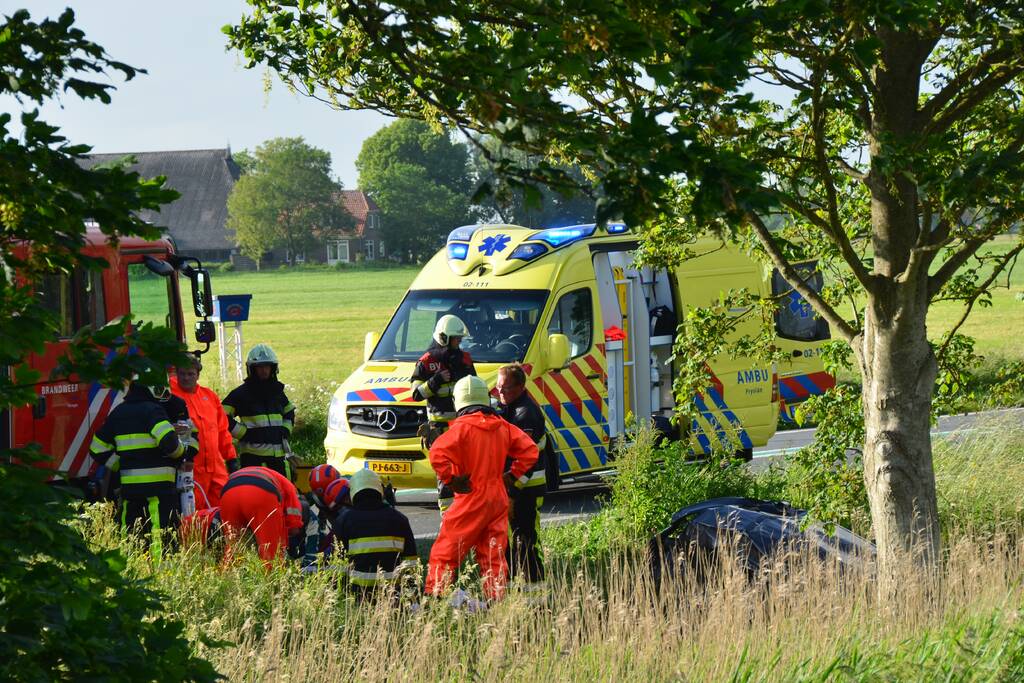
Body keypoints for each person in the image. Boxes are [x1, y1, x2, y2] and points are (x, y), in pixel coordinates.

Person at [425, 375, 538, 602]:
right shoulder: (502, 426)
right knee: (493, 554)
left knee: (446, 550)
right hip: (497, 498)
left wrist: (451, 480)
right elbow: (530, 450)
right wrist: (511, 476)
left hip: (471, 496)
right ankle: (495, 600)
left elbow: (437, 454)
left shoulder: (461, 429)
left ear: (459, 401)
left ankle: (434, 597)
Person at [89, 379, 187, 563]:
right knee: (161, 532)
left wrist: (120, 464)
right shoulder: (153, 410)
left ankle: (133, 568)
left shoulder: (118, 412)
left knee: (131, 530)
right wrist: (182, 452)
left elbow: (96, 448)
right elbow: (170, 444)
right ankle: (161, 571)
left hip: (130, 489)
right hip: (159, 488)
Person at [410, 315, 476, 512]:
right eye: (456, 338)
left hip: (463, 426)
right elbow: (415, 394)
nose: (459, 342)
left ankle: (467, 512)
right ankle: (448, 516)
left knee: (466, 470)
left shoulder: (464, 360)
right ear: (444, 337)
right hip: (439, 428)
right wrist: (434, 381)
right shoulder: (426, 362)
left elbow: (475, 386)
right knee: (445, 474)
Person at [496, 363, 548, 588]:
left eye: (505, 389)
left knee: (526, 538)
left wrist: (513, 494)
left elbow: (527, 459)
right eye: (497, 388)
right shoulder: (510, 406)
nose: (500, 393)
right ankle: (519, 583)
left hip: (527, 486)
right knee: (516, 537)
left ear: (520, 387)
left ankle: (536, 587)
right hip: (517, 484)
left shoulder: (526, 414)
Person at [331, 469, 418, 594]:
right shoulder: (400, 519)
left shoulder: (343, 521)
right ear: (380, 490)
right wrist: (411, 595)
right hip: (393, 594)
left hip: (357, 595)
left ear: (353, 492)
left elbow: (338, 564)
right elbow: (411, 562)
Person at [170, 352, 237, 509]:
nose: (186, 378)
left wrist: (231, 458)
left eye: (190, 374)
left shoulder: (209, 396)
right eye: (182, 374)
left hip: (216, 466)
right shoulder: (170, 397)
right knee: (192, 512)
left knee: (225, 508)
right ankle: (194, 535)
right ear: (176, 373)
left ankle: (221, 534)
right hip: (189, 467)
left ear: (198, 375)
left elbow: (222, 431)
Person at [222, 344, 296, 480]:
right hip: (252, 458)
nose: (264, 370)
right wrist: (243, 433)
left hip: (278, 457)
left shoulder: (277, 391)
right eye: (260, 367)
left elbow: (289, 412)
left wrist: (285, 430)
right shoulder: (241, 393)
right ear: (252, 369)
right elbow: (221, 416)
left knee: (283, 492)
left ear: (273, 368)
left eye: (267, 366)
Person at [218, 465, 304, 568]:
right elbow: (294, 527)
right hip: (261, 492)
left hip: (228, 493)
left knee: (234, 548)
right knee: (270, 552)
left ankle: (227, 579)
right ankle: (272, 581)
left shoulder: (273, 476)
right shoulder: (290, 488)